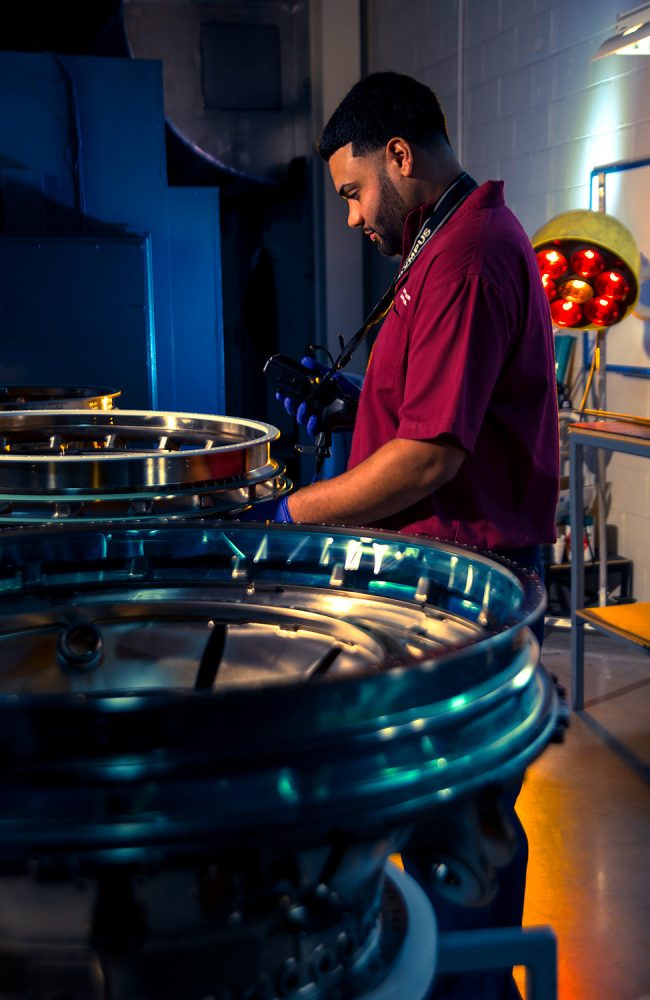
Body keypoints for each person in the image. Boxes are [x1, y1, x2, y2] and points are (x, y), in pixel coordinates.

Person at [250, 72, 559, 1000]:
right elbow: (427, 409)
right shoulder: (440, 247)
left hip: (466, 594)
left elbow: (429, 459)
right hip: (448, 582)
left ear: (400, 155)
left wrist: (281, 520)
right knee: (439, 825)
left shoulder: (466, 256)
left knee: (454, 831)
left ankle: (465, 985)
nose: (349, 217)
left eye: (353, 193)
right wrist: (361, 404)